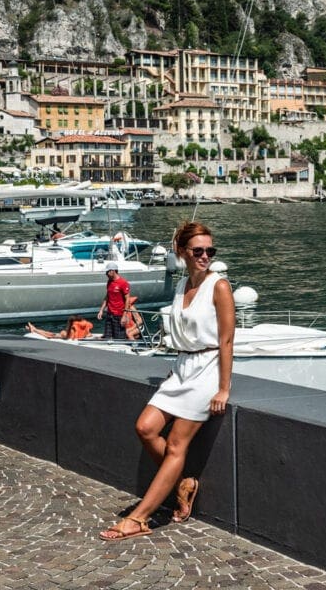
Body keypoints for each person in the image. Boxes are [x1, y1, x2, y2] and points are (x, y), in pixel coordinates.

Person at [99, 219, 235, 541]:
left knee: (175, 445)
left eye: (210, 251)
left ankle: (138, 518)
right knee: (145, 427)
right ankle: (183, 483)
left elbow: (227, 340)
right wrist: (177, 368)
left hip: (207, 369)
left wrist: (223, 388)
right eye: (198, 251)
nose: (205, 256)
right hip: (181, 367)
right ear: (183, 252)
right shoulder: (182, 284)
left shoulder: (219, 286)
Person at [98, 263, 132, 339]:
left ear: (112, 271)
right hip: (109, 314)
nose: (106, 274)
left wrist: (124, 315)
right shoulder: (109, 282)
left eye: (107, 272)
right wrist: (101, 310)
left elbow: (127, 299)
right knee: (107, 337)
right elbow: (107, 296)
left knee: (119, 338)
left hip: (119, 315)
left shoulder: (123, 283)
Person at [25, 315, 93, 340]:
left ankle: (34, 330)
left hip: (67, 336)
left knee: (50, 335)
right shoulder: (85, 327)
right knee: (51, 334)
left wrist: (64, 332)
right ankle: (34, 329)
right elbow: (88, 333)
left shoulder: (71, 330)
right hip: (70, 335)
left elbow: (50, 335)